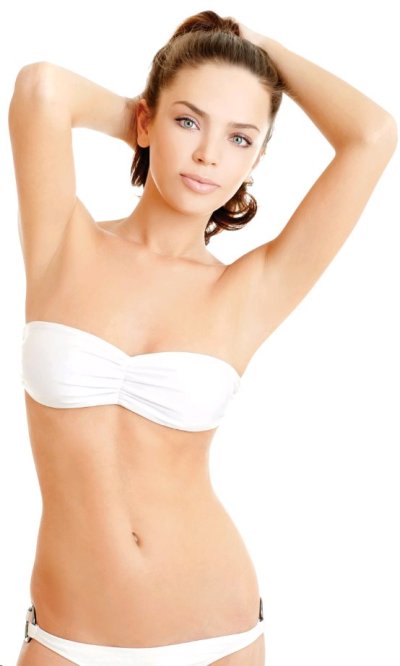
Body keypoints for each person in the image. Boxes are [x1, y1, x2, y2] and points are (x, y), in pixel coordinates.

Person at [8, 9, 396, 666]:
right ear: (146, 120)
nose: (210, 155)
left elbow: (373, 134)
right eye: (189, 122)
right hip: (66, 637)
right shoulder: (63, 244)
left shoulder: (250, 289)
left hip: (216, 634)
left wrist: (262, 46)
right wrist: (147, 122)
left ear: (257, 159)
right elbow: (40, 88)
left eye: (240, 139)